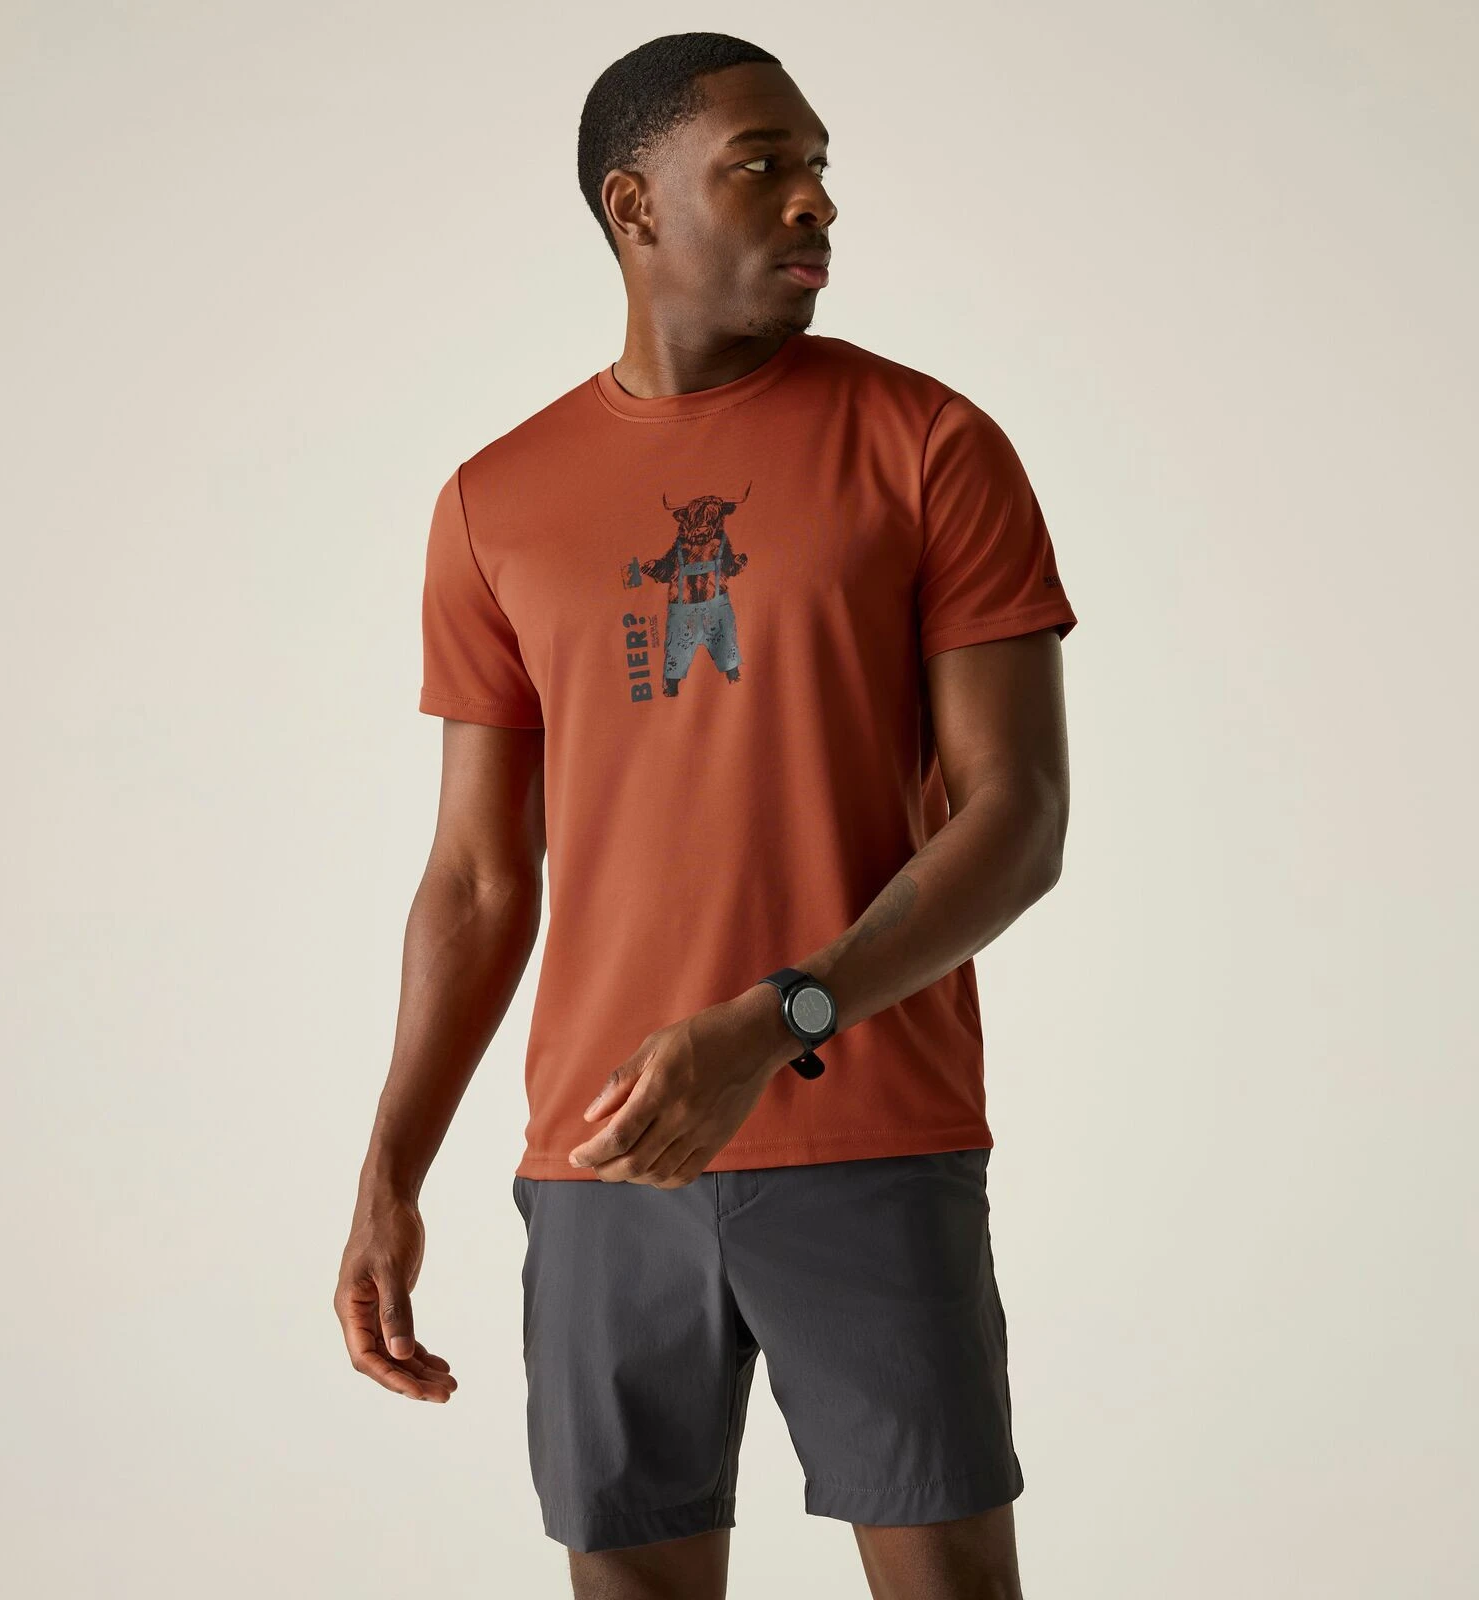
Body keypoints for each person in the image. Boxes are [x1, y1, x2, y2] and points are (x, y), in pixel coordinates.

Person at [335, 30, 1077, 1600]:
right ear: (636, 204)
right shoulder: (494, 502)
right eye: (763, 165)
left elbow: (1016, 816)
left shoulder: (930, 448)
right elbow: (474, 881)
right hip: (599, 1164)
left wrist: (777, 1018)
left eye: (820, 167)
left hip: (869, 1135)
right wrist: (391, 1172)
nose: (816, 201)